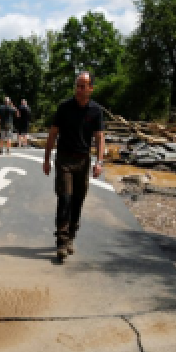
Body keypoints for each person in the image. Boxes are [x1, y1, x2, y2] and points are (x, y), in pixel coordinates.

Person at [43, 73, 105, 261]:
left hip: (83, 160)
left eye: (83, 86)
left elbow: (99, 138)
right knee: (65, 199)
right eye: (77, 86)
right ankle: (61, 242)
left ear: (91, 88)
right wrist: (46, 160)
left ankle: (71, 237)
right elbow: (53, 134)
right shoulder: (64, 108)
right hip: (63, 159)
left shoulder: (96, 111)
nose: (79, 90)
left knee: (78, 201)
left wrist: (99, 161)